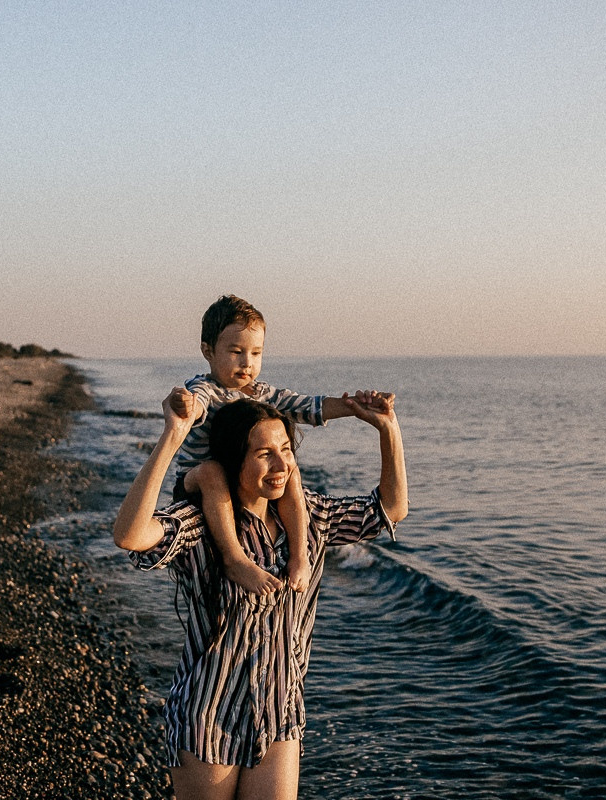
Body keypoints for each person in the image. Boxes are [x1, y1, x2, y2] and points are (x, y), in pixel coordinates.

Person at [113, 387, 407, 798]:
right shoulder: (202, 525)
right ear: (234, 460)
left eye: (286, 449)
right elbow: (130, 535)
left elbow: (388, 509)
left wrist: (388, 429)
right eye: (263, 453)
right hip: (208, 714)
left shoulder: (310, 519)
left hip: (280, 714)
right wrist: (172, 436)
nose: (280, 464)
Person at [173, 295, 365, 597]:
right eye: (236, 352)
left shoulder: (262, 393)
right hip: (199, 484)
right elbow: (196, 404)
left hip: (242, 484)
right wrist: (186, 407)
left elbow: (308, 407)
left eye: (256, 353)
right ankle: (235, 560)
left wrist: (354, 406)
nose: (247, 363)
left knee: (290, 470)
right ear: (208, 351)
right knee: (212, 471)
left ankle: (299, 555)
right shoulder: (205, 389)